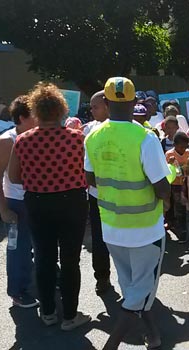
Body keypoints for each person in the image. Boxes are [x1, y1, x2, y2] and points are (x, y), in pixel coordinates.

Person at [85, 77, 170, 349]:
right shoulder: (145, 138)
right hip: (145, 230)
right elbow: (162, 188)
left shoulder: (93, 136)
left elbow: (90, 177)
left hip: (111, 228)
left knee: (132, 287)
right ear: (135, 103)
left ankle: (152, 334)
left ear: (106, 103)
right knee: (138, 294)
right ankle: (111, 345)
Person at [8, 82, 90, 329]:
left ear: (36, 111)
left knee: (44, 258)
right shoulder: (77, 139)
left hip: (38, 202)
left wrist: (37, 179)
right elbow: (88, 172)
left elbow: (13, 176)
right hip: (72, 202)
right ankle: (70, 315)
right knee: (69, 260)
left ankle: (48, 312)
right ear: (61, 110)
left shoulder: (22, 141)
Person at [0, 95, 38, 308]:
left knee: (42, 245)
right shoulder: (5, 141)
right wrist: (3, 210)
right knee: (16, 248)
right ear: (21, 118)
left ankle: (45, 279)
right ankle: (17, 291)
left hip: (38, 201)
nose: (39, 119)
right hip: (14, 203)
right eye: (35, 115)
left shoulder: (39, 136)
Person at [84, 90, 113, 296]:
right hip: (97, 196)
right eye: (91, 107)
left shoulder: (128, 128)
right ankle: (102, 277)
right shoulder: (88, 131)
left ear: (108, 106)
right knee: (99, 238)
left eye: (95, 107)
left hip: (123, 196)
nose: (92, 111)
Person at [165, 131, 189, 242]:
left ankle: (188, 228)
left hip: (186, 183)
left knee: (186, 206)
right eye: (181, 147)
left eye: (185, 147)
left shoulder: (188, 153)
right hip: (175, 185)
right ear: (175, 145)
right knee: (178, 207)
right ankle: (180, 229)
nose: (183, 149)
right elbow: (165, 170)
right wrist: (170, 163)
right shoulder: (169, 155)